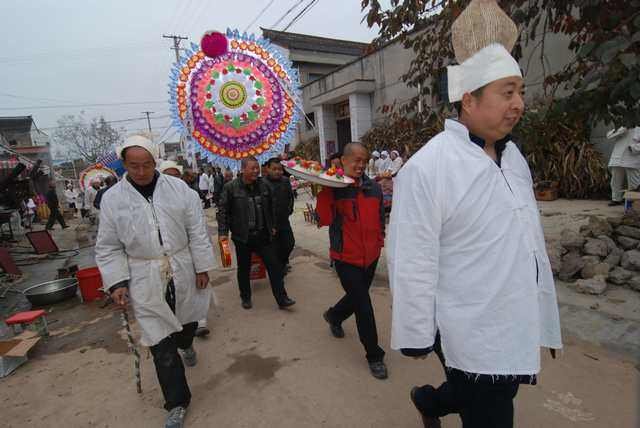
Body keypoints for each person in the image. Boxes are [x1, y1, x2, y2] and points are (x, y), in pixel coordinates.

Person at [387, 3, 562, 427]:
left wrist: (543, 309)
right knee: (491, 410)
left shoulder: (514, 156)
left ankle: (429, 402)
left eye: (521, 91)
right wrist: (415, 330)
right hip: (466, 320)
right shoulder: (429, 167)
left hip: (514, 313)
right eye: (507, 92)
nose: (519, 103)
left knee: (493, 390)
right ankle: (435, 401)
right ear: (469, 99)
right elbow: (411, 255)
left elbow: (528, 238)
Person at [95, 135, 216, 428]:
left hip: (183, 265)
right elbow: (109, 246)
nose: (140, 171)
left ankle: (187, 344)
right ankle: (177, 402)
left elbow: (197, 230)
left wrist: (202, 267)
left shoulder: (179, 189)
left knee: (187, 323)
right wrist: (117, 282)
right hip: (143, 275)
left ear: (155, 161)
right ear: (123, 164)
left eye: (146, 164)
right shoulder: (113, 199)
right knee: (160, 340)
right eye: (133, 166)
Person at [316, 143, 388, 380]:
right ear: (343, 161)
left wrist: (380, 241)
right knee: (363, 306)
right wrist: (326, 189)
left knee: (357, 298)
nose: (359, 165)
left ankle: (334, 315)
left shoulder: (374, 188)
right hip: (345, 258)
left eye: (363, 160)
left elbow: (380, 218)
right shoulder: (334, 188)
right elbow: (324, 219)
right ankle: (374, 355)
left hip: (371, 256)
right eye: (355, 160)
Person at [217, 156, 295, 310]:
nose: (255, 171)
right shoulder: (231, 187)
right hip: (242, 237)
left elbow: (272, 205)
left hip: (263, 235)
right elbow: (223, 212)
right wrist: (223, 232)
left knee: (274, 266)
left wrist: (272, 225)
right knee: (244, 268)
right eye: (252, 168)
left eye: (257, 168)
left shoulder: (264, 185)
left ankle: (282, 298)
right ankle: (245, 297)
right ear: (242, 169)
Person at [265, 158, 296, 274]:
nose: (278, 172)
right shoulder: (263, 183)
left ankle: (282, 263)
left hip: (284, 220)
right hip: (270, 223)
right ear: (267, 169)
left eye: (279, 169)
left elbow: (290, 197)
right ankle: (279, 267)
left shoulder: (285, 181)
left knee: (289, 243)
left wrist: (289, 209)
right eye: (274, 169)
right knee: (275, 247)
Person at [607, 126, 640, 206]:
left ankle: (634, 200)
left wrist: (634, 148)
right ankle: (616, 199)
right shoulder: (621, 125)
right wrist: (621, 130)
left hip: (632, 157)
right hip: (617, 157)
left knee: (634, 181)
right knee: (615, 180)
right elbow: (609, 136)